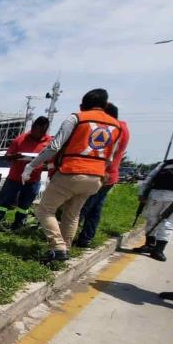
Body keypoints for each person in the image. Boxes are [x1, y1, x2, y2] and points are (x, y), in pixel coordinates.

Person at [22, 88, 123, 263]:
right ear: (105, 105)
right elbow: (111, 156)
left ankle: (58, 247)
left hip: (72, 172)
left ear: (82, 105)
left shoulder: (76, 118)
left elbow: (54, 146)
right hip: (95, 178)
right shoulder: (116, 126)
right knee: (72, 214)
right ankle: (65, 249)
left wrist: (31, 165)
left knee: (44, 210)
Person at [75, 103, 130, 247]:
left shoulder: (114, 129)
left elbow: (103, 151)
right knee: (95, 208)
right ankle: (86, 238)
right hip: (109, 175)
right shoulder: (123, 128)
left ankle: (66, 239)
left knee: (83, 207)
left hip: (102, 174)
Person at [0, 116, 52, 230]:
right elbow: (7, 157)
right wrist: (17, 156)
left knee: (24, 205)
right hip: (14, 178)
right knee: (3, 203)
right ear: (33, 128)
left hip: (33, 180)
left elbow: (51, 161)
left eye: (42, 131)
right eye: (36, 130)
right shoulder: (20, 139)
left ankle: (17, 227)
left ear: (45, 130)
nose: (38, 134)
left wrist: (45, 165)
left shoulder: (49, 142)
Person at [131, 146, 173, 262]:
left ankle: (150, 245)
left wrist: (142, 193)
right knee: (167, 223)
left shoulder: (165, 164)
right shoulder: (164, 164)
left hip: (156, 195)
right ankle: (158, 250)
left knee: (152, 220)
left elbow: (149, 178)